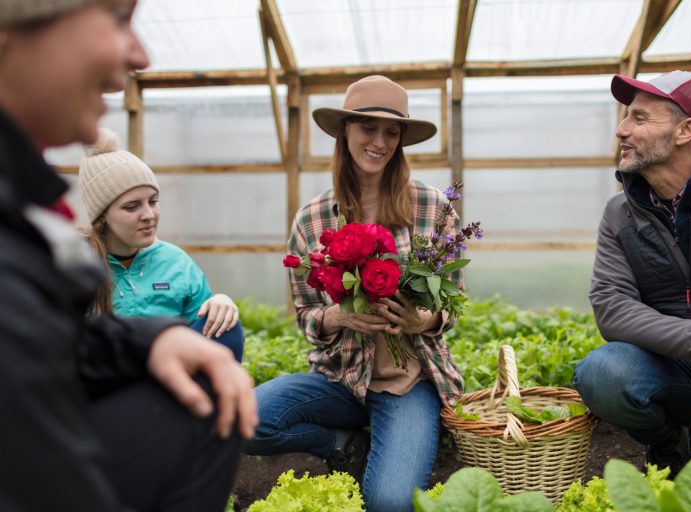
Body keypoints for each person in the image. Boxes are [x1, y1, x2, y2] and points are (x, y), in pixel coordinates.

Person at [0, 1, 256, 511]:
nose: (141, 56)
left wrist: (153, 339)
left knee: (213, 384)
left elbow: (47, 353)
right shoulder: (63, 248)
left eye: (153, 201)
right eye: (118, 18)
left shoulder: (26, 208)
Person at [244, 75, 464, 511]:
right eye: (368, 128)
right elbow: (306, 315)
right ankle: (343, 445)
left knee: (389, 502)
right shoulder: (312, 218)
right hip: (340, 381)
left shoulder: (432, 207)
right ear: (345, 130)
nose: (379, 142)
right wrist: (337, 316)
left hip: (408, 384)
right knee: (245, 421)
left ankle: (402, 435)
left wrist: (422, 320)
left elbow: (453, 302)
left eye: (391, 132)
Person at [574, 70, 691, 477]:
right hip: (686, 367)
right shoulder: (620, 213)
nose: (622, 130)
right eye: (627, 117)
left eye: (640, 118)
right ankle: (669, 446)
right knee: (603, 374)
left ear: (685, 130)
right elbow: (613, 309)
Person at [78, 127, 245, 362]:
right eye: (132, 207)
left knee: (226, 327)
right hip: (102, 376)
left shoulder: (176, 262)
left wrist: (219, 303)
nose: (149, 215)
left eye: (153, 201)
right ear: (102, 215)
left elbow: (203, 329)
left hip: (168, 373)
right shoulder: (76, 265)